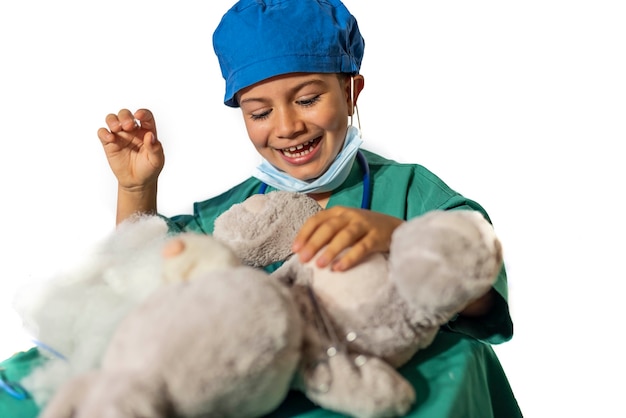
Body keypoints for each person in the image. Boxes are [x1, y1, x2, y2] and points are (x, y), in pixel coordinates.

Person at [0, 0, 522, 416]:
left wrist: (392, 234)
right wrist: (137, 189)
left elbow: (478, 280)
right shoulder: (237, 216)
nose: (287, 126)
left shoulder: (408, 192)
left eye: (308, 98)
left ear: (351, 88)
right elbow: (142, 284)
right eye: (259, 111)